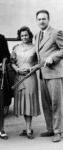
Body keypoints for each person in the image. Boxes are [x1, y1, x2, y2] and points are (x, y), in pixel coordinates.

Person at [35, 10, 63, 142]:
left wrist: (53, 57)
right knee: (46, 104)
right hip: (42, 74)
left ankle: (59, 132)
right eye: (39, 19)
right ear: (37, 21)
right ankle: (50, 129)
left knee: (56, 104)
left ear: (48, 19)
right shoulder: (36, 36)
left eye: (44, 19)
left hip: (54, 74)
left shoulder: (56, 33)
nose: (41, 21)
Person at [11, 26, 40, 139]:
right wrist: (17, 70)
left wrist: (31, 69)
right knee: (23, 102)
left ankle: (28, 129)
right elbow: (12, 62)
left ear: (30, 36)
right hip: (19, 77)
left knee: (29, 101)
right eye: (22, 35)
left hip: (30, 77)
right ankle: (27, 127)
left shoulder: (35, 48)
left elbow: (39, 63)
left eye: (26, 35)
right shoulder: (16, 48)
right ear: (19, 36)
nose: (24, 37)